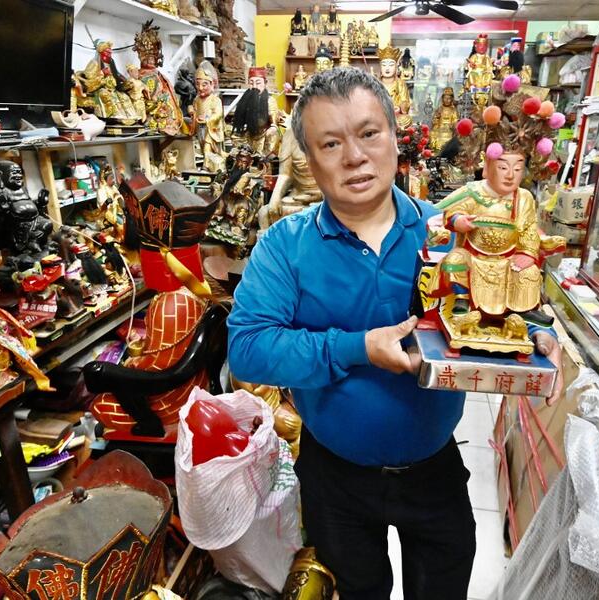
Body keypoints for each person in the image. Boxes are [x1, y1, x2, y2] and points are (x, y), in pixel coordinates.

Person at [228, 68, 562, 600]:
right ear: (309, 162)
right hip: (334, 474)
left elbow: (500, 289)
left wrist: (536, 332)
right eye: (330, 143)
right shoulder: (283, 246)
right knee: (359, 590)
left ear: (394, 136)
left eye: (368, 133)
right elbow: (246, 350)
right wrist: (356, 348)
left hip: (434, 467)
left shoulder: (449, 229)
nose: (354, 157)